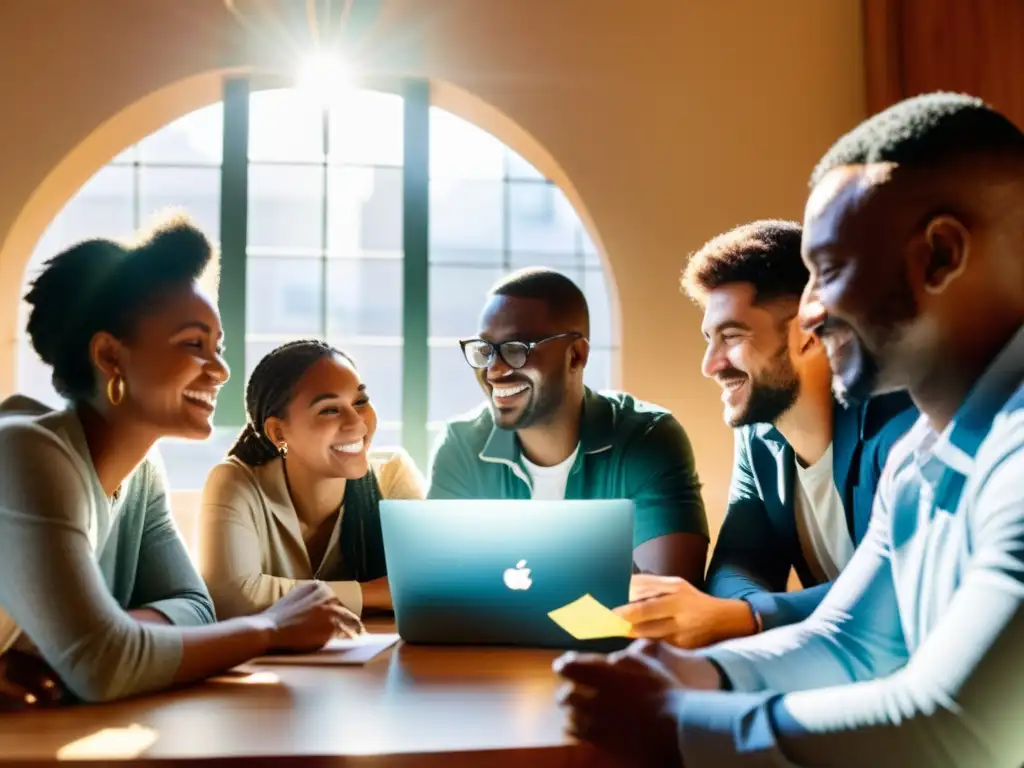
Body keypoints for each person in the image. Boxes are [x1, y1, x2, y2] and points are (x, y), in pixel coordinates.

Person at [554, 92, 1024, 767]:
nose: (810, 314)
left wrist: (680, 718)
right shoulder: (923, 454)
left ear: (941, 256)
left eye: (827, 272)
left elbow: (961, 728)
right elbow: (850, 642)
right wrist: (699, 675)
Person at [0, 215, 360, 707]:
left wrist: (96, 639)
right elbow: (103, 667)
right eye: (193, 345)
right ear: (110, 355)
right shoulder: (27, 454)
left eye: (218, 347)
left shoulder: (142, 472)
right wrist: (270, 628)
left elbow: (195, 610)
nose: (220, 370)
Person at [617, 220, 917, 648]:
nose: (711, 364)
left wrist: (750, 617)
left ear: (809, 335)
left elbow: (902, 582)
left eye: (732, 336)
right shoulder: (759, 438)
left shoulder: (899, 423)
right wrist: (735, 612)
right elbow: (738, 563)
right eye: (709, 339)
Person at [428, 267, 708, 583]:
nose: (494, 371)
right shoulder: (462, 444)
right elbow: (440, 581)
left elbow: (667, 601)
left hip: (610, 635)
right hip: (484, 634)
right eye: (485, 349)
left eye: (516, 349)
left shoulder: (648, 440)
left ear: (576, 355)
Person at [199, 340, 426, 619]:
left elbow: (425, 585)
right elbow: (231, 596)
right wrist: (376, 592)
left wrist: (277, 595)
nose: (357, 422)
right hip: (270, 662)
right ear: (278, 432)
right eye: (329, 409)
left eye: (360, 402)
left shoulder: (392, 474)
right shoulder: (235, 481)